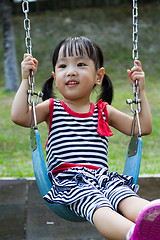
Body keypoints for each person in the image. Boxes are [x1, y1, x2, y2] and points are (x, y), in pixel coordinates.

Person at [11, 36, 160, 240]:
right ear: (55, 77)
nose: (71, 71)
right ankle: (134, 234)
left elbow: (143, 128)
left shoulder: (103, 110)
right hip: (69, 182)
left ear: (98, 76)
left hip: (103, 178)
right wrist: (26, 80)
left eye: (81, 64)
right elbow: (20, 116)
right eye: (63, 66)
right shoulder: (52, 108)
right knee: (98, 205)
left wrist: (140, 91)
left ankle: (152, 216)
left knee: (125, 196)